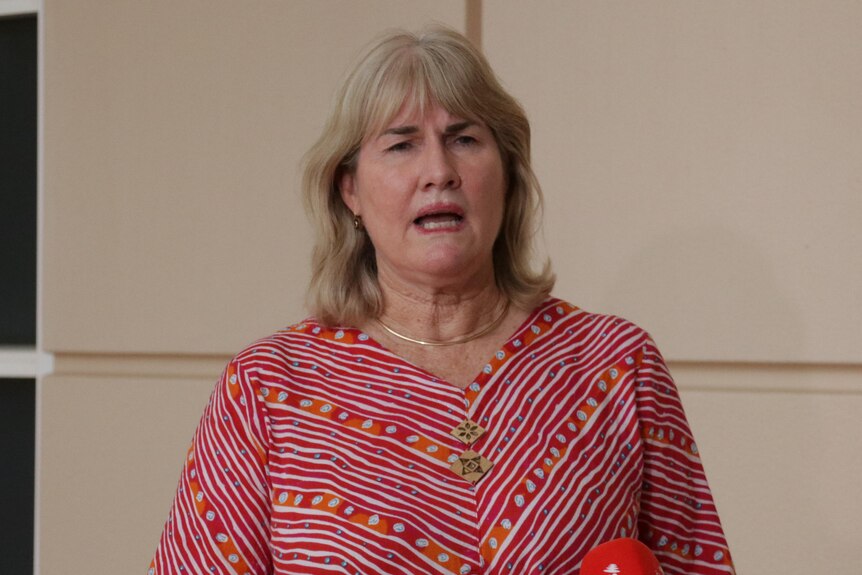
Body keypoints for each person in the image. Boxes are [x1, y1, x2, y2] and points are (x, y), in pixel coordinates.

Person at [150, 26, 735, 575]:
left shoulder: (615, 365)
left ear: (507, 174)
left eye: (464, 139)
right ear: (349, 188)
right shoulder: (268, 390)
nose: (438, 170)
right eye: (402, 145)